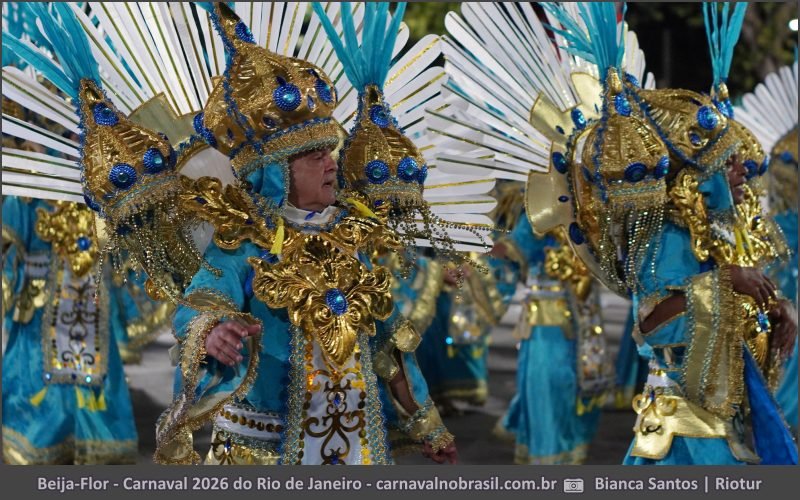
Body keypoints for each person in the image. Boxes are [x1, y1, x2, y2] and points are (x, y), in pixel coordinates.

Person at [154, 3, 457, 465]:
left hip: (357, 449)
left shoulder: (354, 237)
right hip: (264, 454)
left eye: (329, 151)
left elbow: (388, 343)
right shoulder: (243, 244)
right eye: (315, 155)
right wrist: (212, 331)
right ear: (276, 171)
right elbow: (199, 302)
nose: (332, 163)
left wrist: (427, 425)